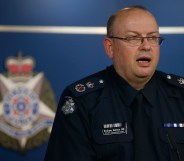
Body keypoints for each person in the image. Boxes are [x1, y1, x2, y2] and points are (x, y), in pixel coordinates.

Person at [44, 5, 184, 161]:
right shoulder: (82, 101)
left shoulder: (181, 94)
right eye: (133, 38)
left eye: (152, 38)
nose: (146, 46)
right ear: (110, 47)